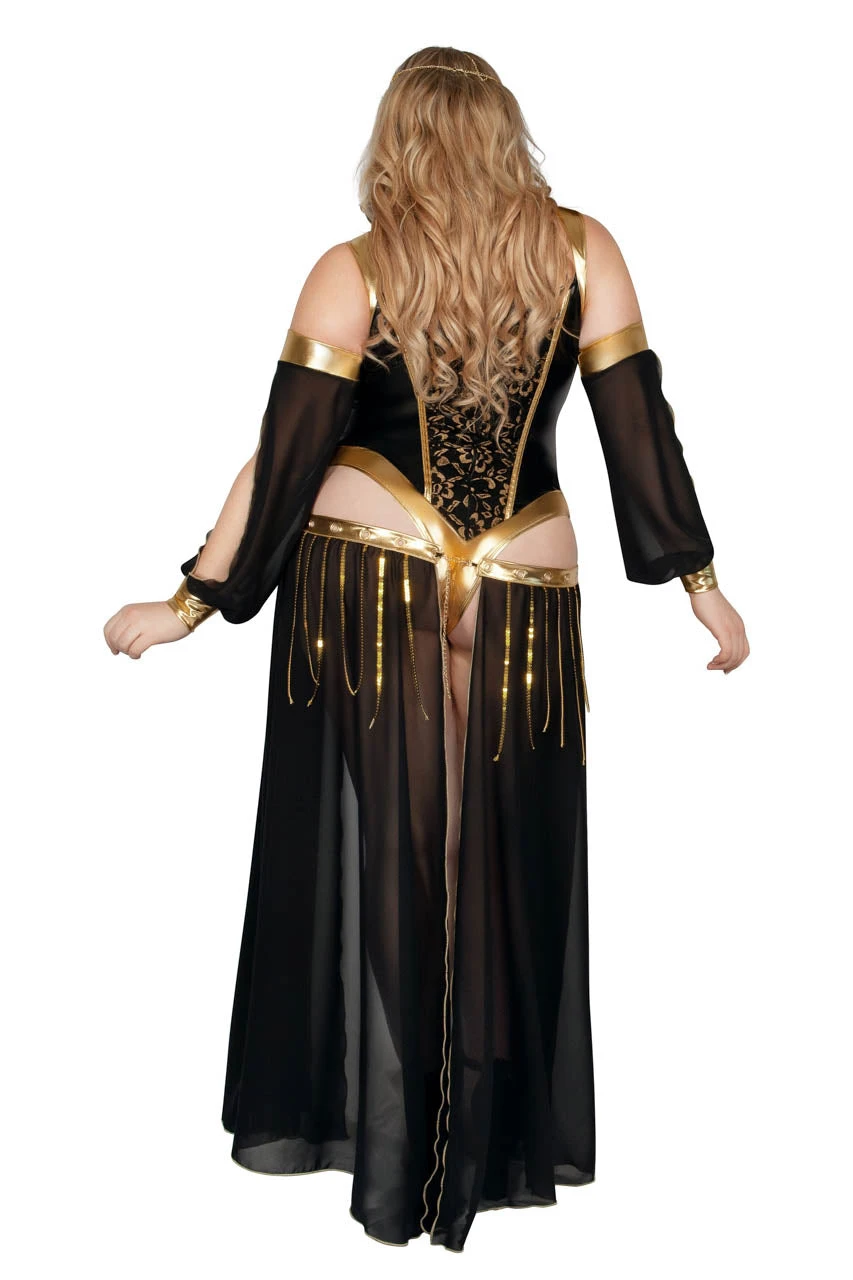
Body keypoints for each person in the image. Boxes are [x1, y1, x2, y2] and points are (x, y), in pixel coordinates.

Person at [103, 47, 749, 1254]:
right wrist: (700, 587)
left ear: (395, 138)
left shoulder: (354, 270)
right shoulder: (580, 253)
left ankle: (403, 1154)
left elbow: (284, 456)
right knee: (492, 853)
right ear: (506, 131)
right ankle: (474, 1146)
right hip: (523, 573)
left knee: (403, 854)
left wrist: (191, 600)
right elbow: (637, 430)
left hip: (372, 561)